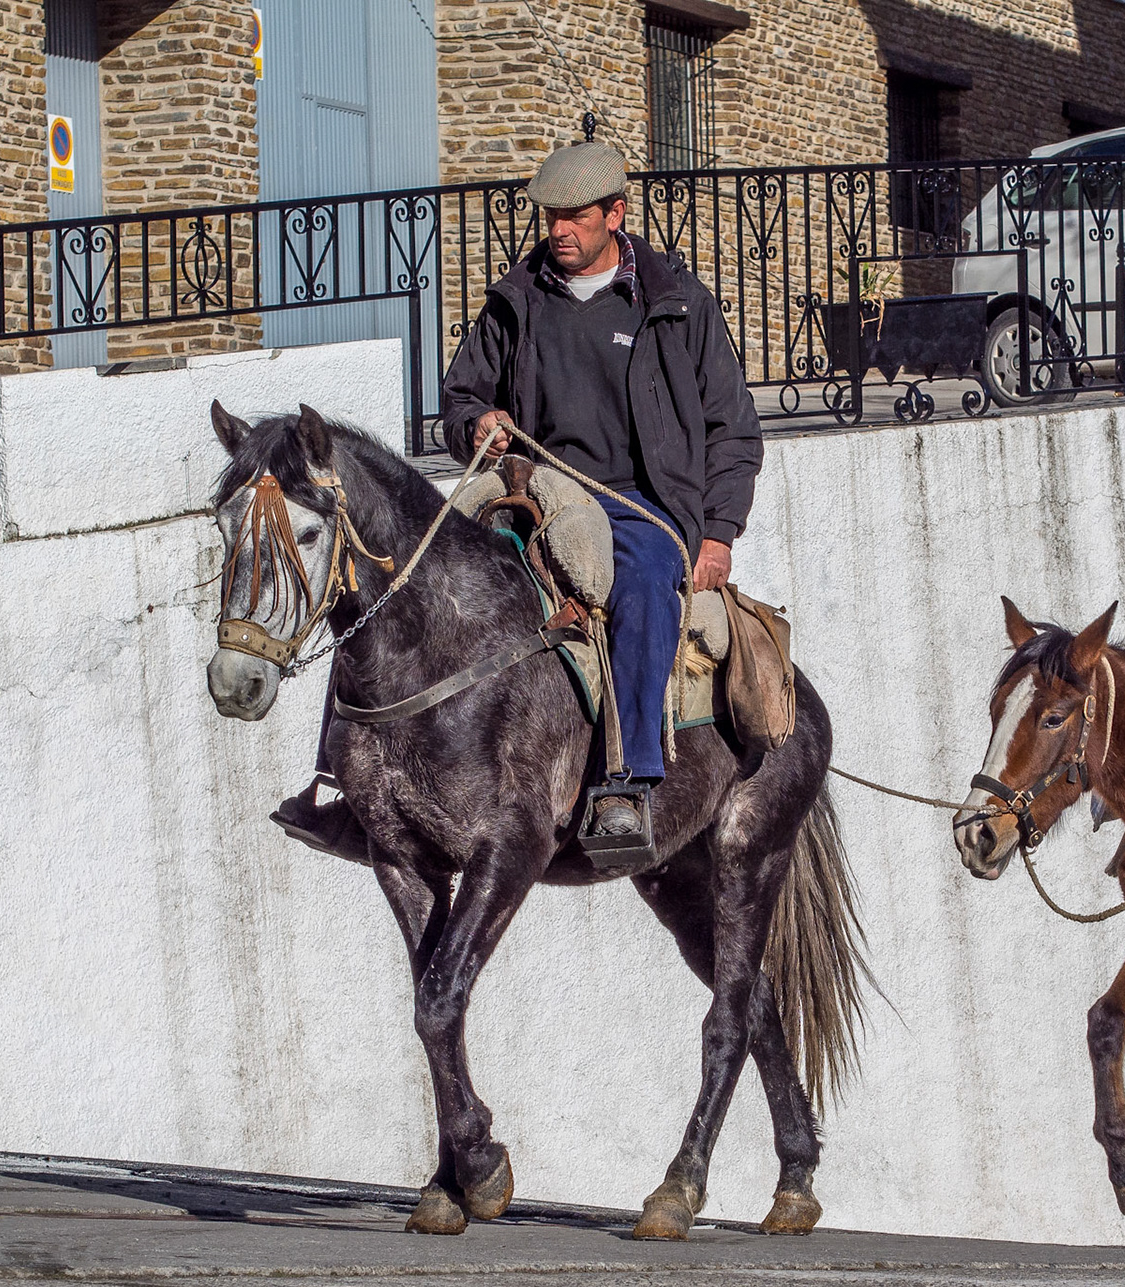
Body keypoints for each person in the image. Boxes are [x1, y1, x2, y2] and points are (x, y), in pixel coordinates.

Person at [271, 141, 762, 859]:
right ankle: (340, 782)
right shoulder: (517, 299)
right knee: (399, 567)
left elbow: (734, 427)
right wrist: (477, 423)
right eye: (551, 216)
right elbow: (461, 395)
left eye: (575, 217)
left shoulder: (677, 303)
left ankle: (628, 782)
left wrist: (716, 533)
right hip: (529, 487)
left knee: (649, 579)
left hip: (639, 504)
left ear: (615, 214)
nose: (558, 229)